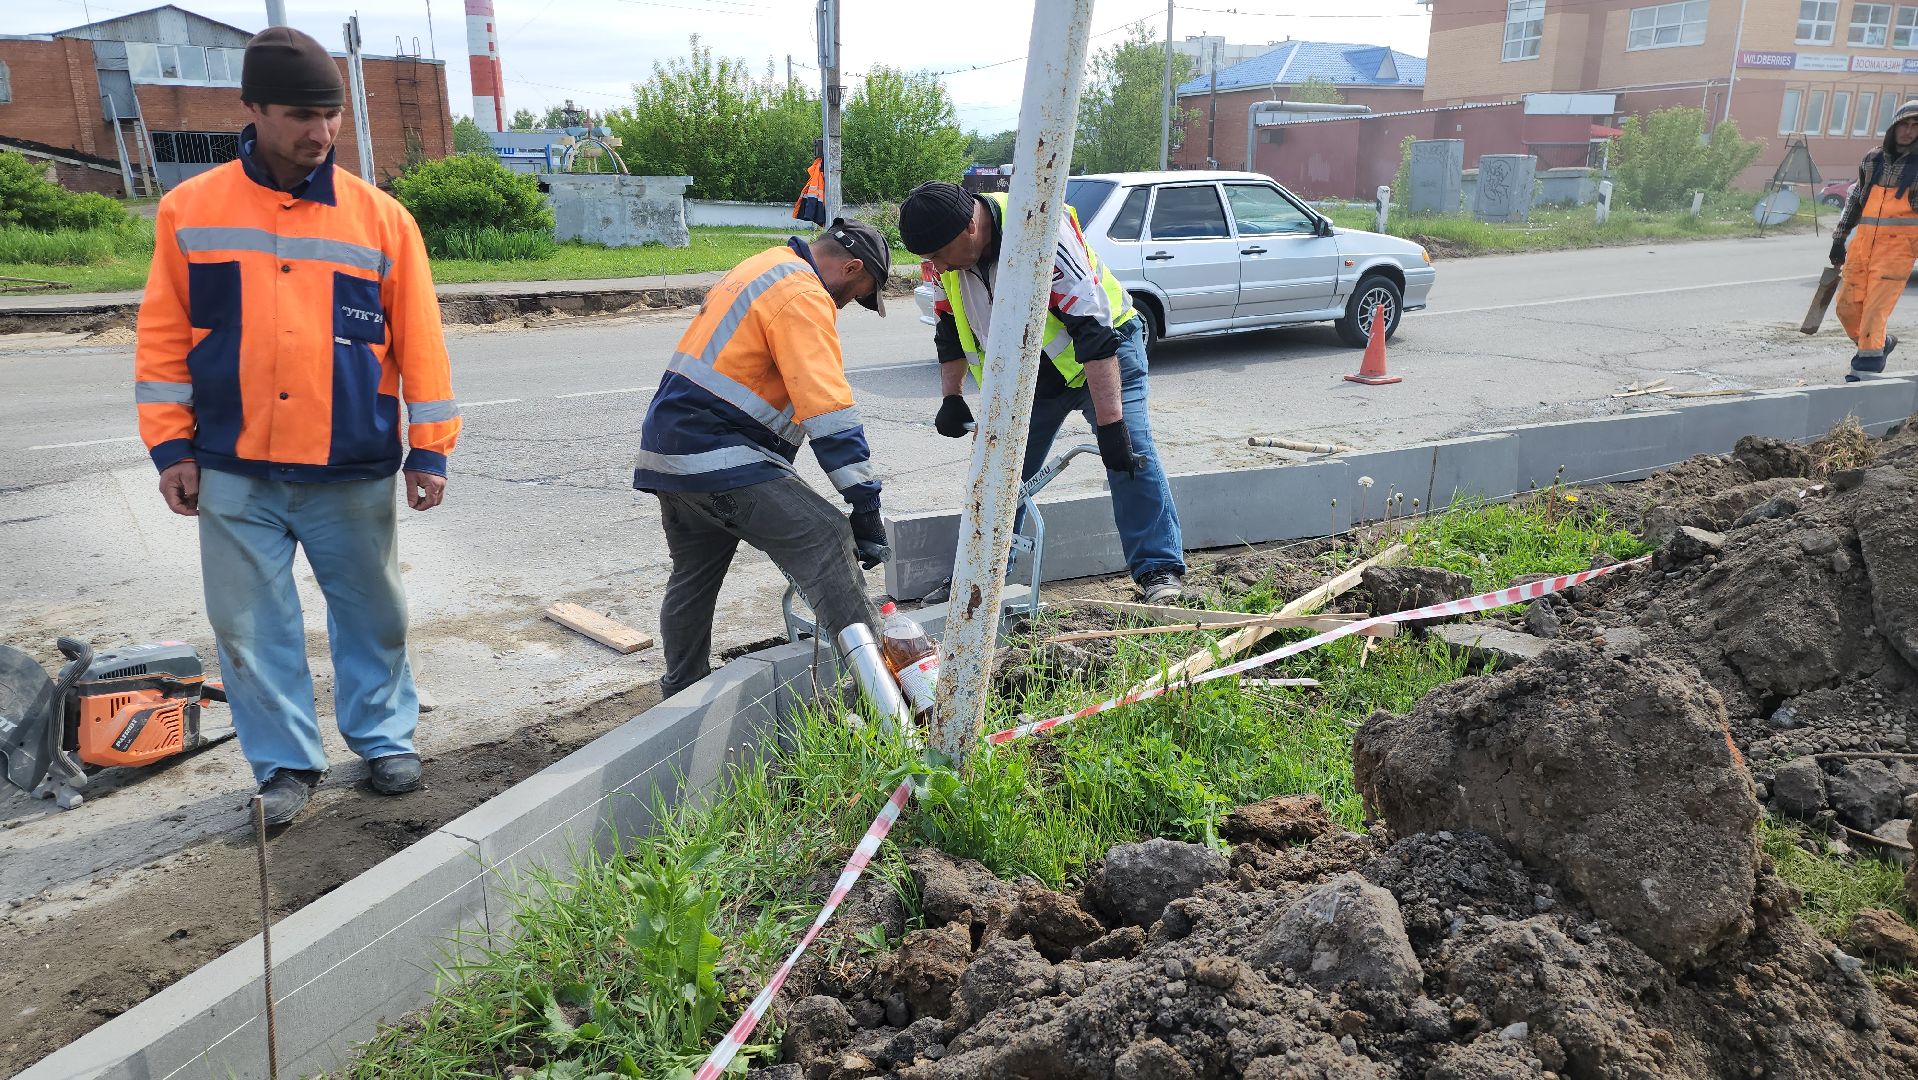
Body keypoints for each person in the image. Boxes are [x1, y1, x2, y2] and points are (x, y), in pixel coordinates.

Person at [134, 27, 460, 826]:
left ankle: (384, 739)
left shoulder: (383, 222)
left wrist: (431, 449)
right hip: (234, 464)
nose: (319, 133)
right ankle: (283, 765)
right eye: (299, 116)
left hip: (348, 461)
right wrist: (170, 447)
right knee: (249, 626)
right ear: (252, 109)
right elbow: (164, 339)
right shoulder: (190, 212)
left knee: (374, 611)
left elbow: (420, 340)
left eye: (332, 115)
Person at [636, 219, 892, 698]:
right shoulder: (804, 294)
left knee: (694, 576)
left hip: (671, 452)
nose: (848, 304)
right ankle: (880, 699)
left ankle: (680, 695)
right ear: (852, 267)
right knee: (826, 535)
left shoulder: (765, 264)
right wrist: (864, 504)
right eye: (858, 293)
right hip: (718, 452)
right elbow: (827, 406)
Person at [898, 180, 1186, 602]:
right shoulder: (940, 254)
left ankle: (1159, 572)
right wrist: (951, 397)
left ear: (970, 229)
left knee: (1130, 454)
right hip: (1031, 378)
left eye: (940, 255)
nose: (936, 266)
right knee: (998, 469)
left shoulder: (1038, 230)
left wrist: (1110, 427)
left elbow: (1092, 329)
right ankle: (979, 580)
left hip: (1105, 356)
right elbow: (948, 328)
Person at [1832, 99, 1918, 382]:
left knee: (1873, 313)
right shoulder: (1873, 159)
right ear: (1893, 127)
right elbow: (1856, 200)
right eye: (1903, 124)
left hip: (1897, 254)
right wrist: (1839, 238)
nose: (1908, 131)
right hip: (1862, 249)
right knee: (1846, 308)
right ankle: (1879, 346)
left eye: (1915, 126)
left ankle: (1863, 373)